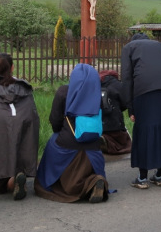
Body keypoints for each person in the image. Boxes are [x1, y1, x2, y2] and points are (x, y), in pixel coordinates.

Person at [34, 64, 108, 203]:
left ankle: (52, 182)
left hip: (68, 144)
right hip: (93, 145)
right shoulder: (96, 94)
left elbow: (55, 121)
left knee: (53, 142)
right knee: (90, 156)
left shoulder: (63, 91)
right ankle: (95, 180)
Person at [0, 53, 40, 200]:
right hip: (22, 120)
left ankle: (6, 182)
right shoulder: (22, 87)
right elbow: (32, 113)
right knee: (20, 139)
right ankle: (17, 174)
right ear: (12, 67)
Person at [121, 33, 161, 189]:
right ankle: (160, 175)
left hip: (144, 90)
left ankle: (142, 178)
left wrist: (130, 107)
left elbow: (127, 79)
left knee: (144, 129)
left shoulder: (129, 48)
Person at [98, 69, 132, 155]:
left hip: (99, 123)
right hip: (115, 123)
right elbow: (125, 102)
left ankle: (103, 140)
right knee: (124, 144)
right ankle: (108, 144)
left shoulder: (95, 85)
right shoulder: (118, 85)